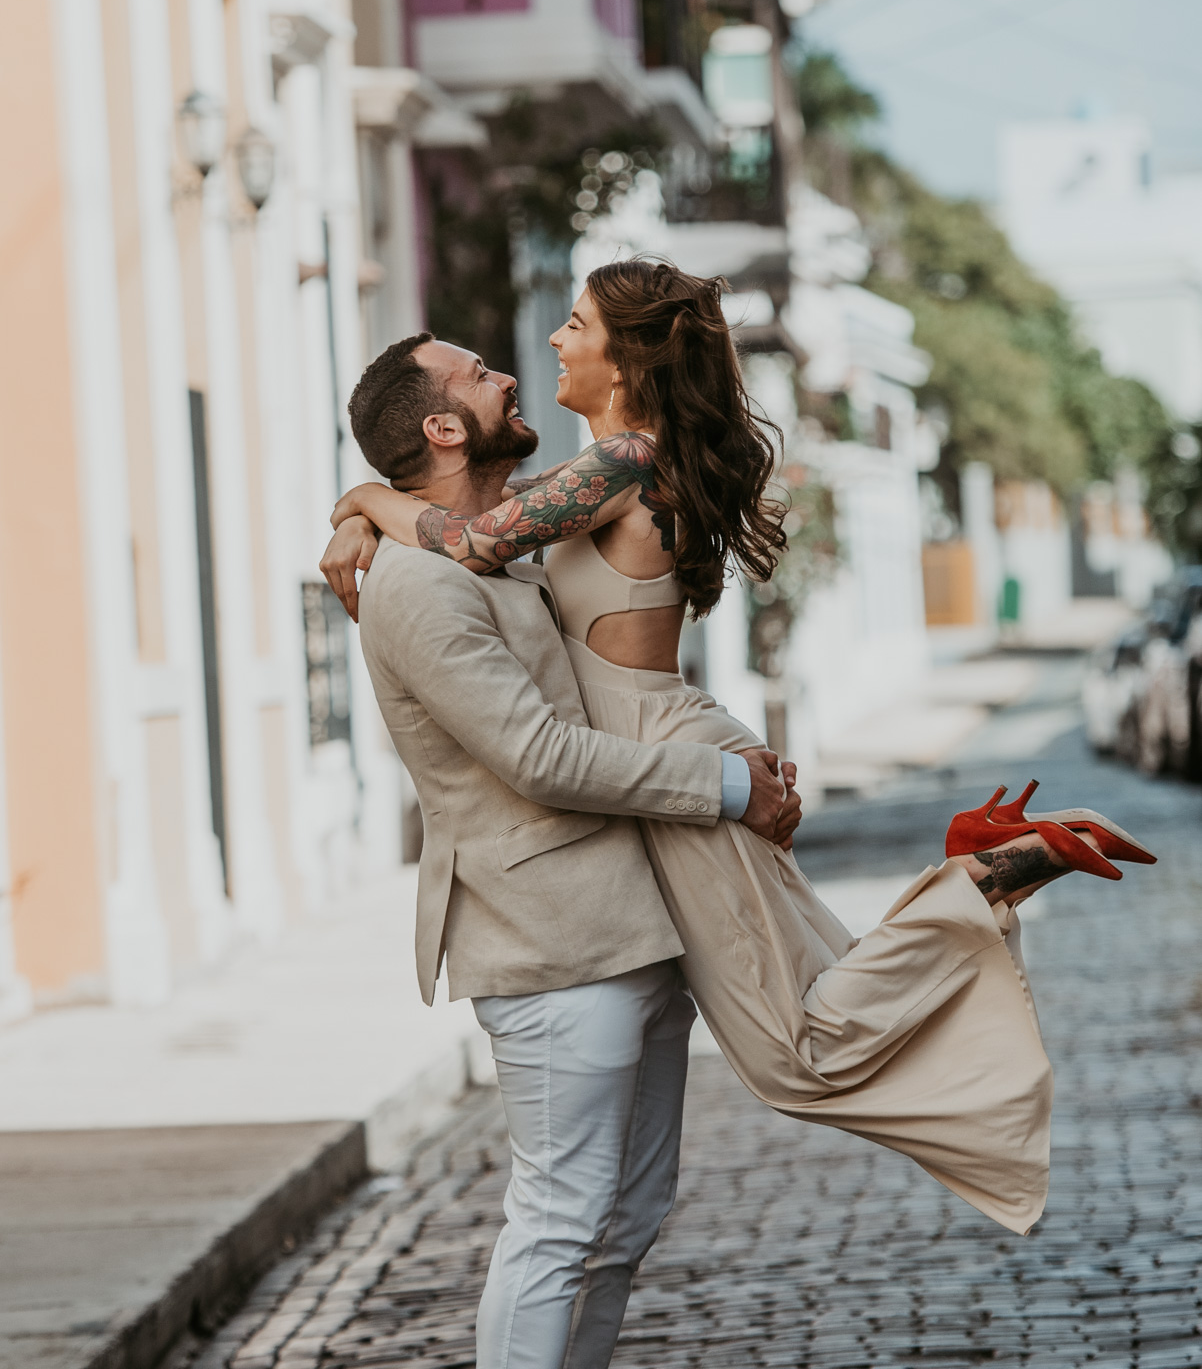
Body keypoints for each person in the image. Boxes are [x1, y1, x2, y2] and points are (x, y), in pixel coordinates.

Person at [324, 259, 1155, 1250]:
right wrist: (361, 508)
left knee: (787, 1047)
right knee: (807, 987)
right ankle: (971, 874)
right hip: (658, 747)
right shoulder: (604, 468)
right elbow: (477, 531)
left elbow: (467, 542)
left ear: (627, 357)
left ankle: (979, 881)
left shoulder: (624, 461)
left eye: (575, 324)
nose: (550, 341)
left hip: (658, 757)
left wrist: (362, 497)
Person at [336, 330, 799, 1369]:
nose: (508, 376)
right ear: (437, 429)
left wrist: (358, 501)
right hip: (543, 938)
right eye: (479, 374)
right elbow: (537, 753)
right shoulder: (414, 591)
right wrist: (727, 787)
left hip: (628, 923)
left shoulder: (485, 545)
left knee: (621, 1219)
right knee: (555, 1223)